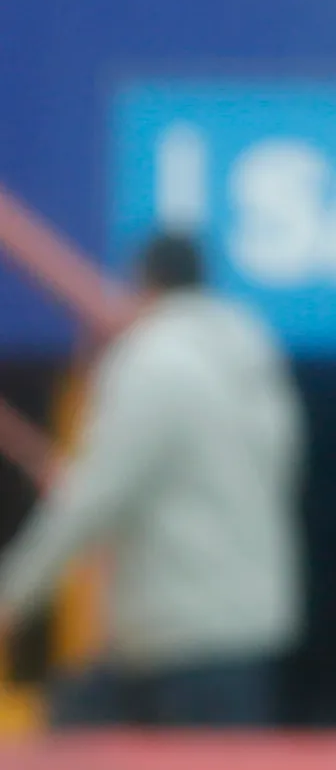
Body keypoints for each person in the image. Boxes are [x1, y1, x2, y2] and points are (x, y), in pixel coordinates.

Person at [0, 234, 304, 726]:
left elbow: (92, 501)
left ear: (144, 286)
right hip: (251, 634)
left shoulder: (153, 363)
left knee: (85, 759)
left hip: (175, 641)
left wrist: (12, 596)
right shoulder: (255, 359)